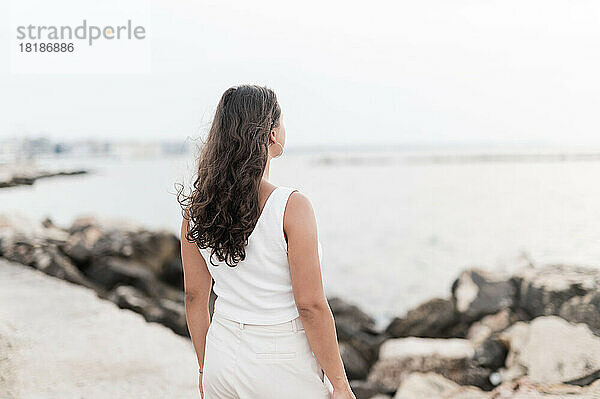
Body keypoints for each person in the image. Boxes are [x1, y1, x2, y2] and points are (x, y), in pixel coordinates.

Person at [178, 85, 355, 399]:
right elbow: (311, 305)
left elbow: (194, 296)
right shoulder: (291, 207)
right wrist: (340, 384)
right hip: (280, 362)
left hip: (222, 351)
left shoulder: (197, 209)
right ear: (272, 134)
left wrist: (206, 367)